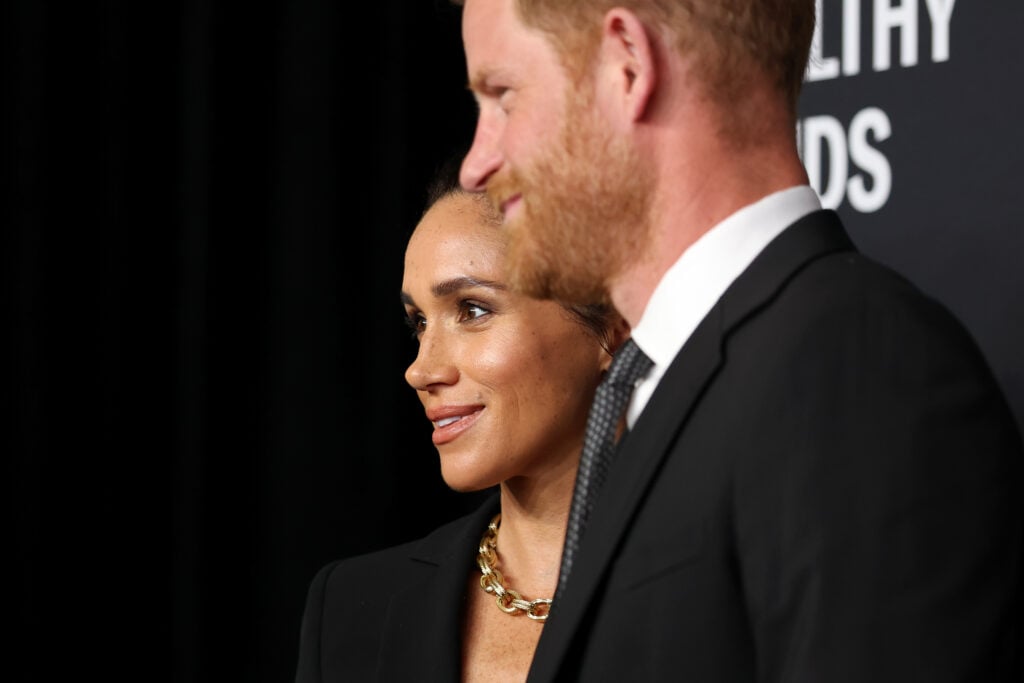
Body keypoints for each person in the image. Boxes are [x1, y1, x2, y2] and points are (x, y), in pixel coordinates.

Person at [455, 0, 1024, 680]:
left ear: (628, 65)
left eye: (502, 96)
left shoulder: (858, 371)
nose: (475, 164)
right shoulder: (657, 391)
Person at [293, 158, 628, 681]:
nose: (420, 369)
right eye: (419, 323)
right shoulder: (352, 608)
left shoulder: (735, 592)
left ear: (613, 327)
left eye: (473, 310)